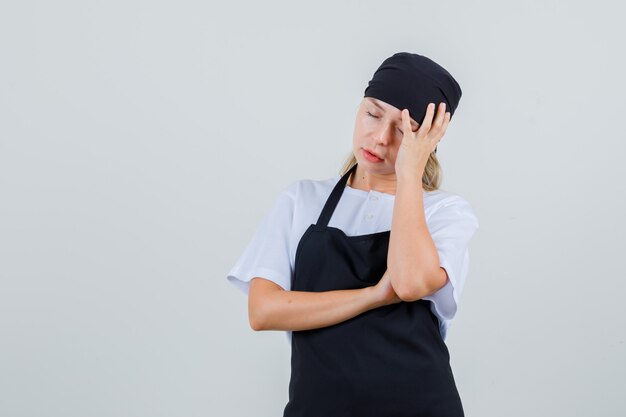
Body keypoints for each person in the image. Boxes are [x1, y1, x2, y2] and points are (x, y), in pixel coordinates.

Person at [226, 52, 479, 417]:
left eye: (403, 131)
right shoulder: (302, 199)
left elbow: (408, 284)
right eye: (373, 114)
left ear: (426, 142)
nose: (379, 138)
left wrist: (409, 174)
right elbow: (263, 311)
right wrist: (372, 296)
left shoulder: (445, 212)